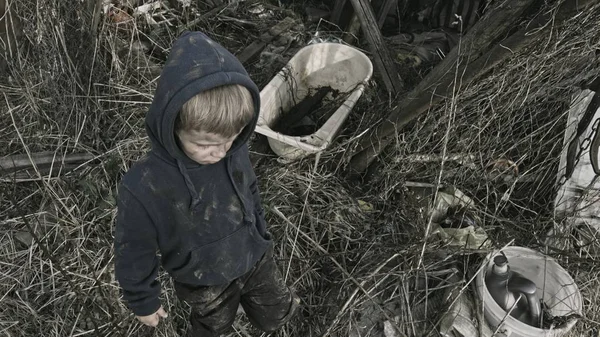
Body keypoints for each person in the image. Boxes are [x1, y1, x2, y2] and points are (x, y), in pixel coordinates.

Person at [114, 31, 299, 336]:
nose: (221, 152)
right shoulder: (145, 186)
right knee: (213, 327)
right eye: (204, 144)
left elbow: (250, 192)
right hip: (204, 279)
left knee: (276, 314)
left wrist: (260, 234)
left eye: (231, 139)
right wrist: (143, 300)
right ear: (173, 125)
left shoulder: (232, 152)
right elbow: (133, 248)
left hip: (255, 258)